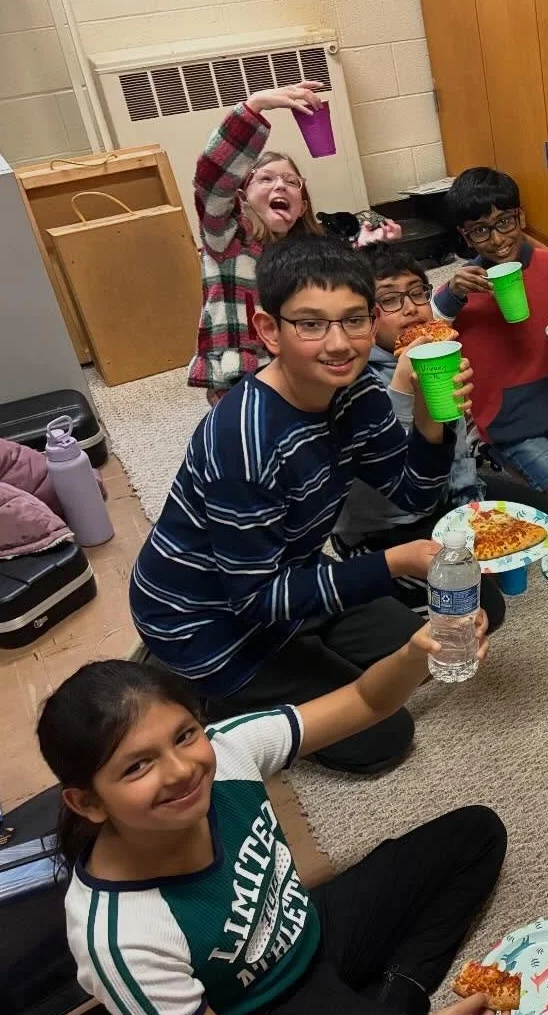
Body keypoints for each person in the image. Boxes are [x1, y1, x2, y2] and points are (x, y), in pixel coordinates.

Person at [40, 623, 511, 1015]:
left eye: (184, 735)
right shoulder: (119, 938)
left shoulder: (225, 754)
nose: (182, 770)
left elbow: (365, 701)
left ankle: (395, 996)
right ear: (88, 802)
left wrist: (414, 653)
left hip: (310, 931)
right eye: (138, 766)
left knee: (477, 834)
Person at [132, 236, 473, 776]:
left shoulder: (358, 392)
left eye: (354, 320)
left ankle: (308, 651)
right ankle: (192, 685)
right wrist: (392, 563)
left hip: (290, 576)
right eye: (311, 324)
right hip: (209, 619)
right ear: (269, 330)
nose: (339, 344)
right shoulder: (245, 443)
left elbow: (412, 495)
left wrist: (433, 424)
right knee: (384, 734)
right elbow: (254, 601)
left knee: (442, 637)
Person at [331, 245, 548, 631]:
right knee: (484, 613)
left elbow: (461, 440)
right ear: (361, 318)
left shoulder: (438, 353)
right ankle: (374, 579)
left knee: (538, 520)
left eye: (418, 293)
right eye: (389, 299)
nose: (412, 308)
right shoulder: (352, 382)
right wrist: (403, 388)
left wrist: (471, 499)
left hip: (450, 490)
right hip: (389, 523)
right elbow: (392, 478)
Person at [186, 80, 399, 405]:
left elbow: (327, 290)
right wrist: (253, 107)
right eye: (266, 179)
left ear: (302, 205)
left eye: (291, 182)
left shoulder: (308, 247)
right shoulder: (226, 238)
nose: (280, 186)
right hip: (241, 376)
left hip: (301, 365)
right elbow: (211, 181)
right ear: (242, 197)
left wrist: (364, 249)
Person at [430, 168, 548, 520]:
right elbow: (431, 332)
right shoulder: (463, 287)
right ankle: (494, 457)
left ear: (521, 216)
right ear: (466, 236)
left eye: (505, 221)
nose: (497, 238)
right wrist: (452, 294)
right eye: (480, 230)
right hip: (505, 419)